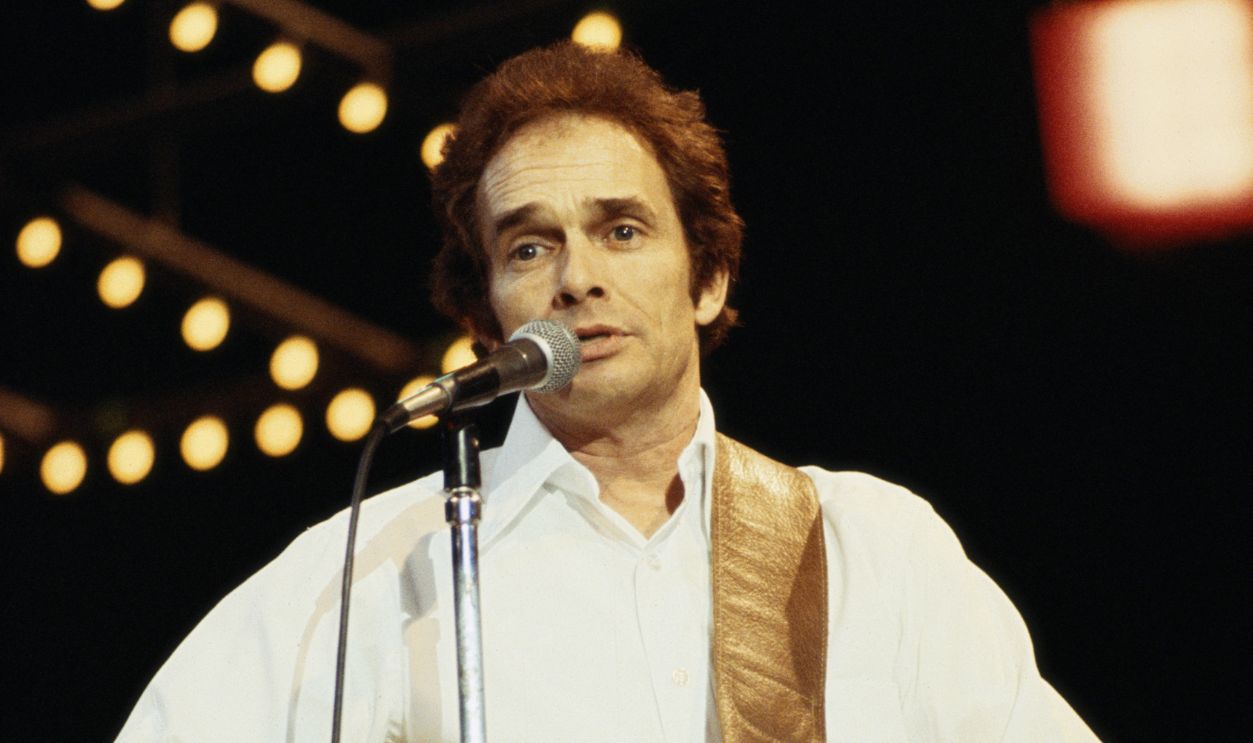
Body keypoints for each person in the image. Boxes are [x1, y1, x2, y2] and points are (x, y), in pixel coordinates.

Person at [117, 42, 1098, 742]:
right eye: (530, 245)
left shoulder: (869, 549)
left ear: (706, 276)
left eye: (621, 230)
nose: (576, 276)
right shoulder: (373, 575)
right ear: (488, 319)